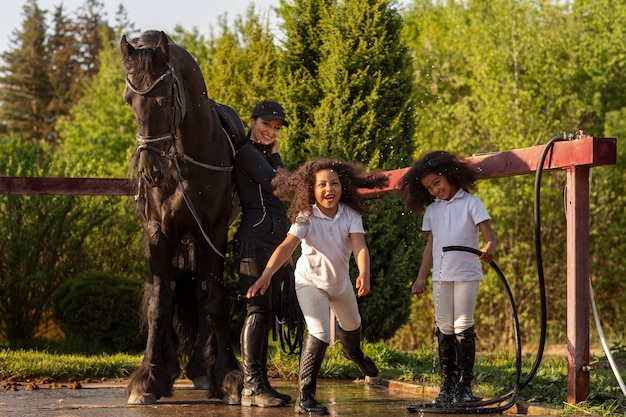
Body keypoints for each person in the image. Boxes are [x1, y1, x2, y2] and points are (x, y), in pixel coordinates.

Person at [246, 158, 388, 415]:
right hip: (310, 282)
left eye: (334, 183)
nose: (328, 189)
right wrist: (267, 274)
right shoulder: (306, 216)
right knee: (320, 332)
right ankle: (306, 397)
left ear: (342, 187)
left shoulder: (350, 214)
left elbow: (360, 247)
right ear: (311, 190)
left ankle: (353, 354)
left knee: (353, 324)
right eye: (321, 184)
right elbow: (287, 246)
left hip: (339, 282)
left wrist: (364, 273)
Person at [399, 150, 497, 405]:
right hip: (440, 277)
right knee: (444, 327)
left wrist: (489, 248)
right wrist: (421, 278)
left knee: (463, 325)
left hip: (466, 273)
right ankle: (448, 384)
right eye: (429, 188)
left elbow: (490, 235)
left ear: (449, 176)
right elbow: (431, 246)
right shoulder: (432, 211)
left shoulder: (471, 203)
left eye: (437, 183)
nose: (434, 190)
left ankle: (465, 385)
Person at [233, 100, 291, 407]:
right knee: (256, 310)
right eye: (266, 124)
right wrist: (278, 156)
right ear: (252, 121)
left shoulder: (264, 156)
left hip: (272, 243)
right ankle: (252, 387)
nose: (270, 131)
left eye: (276, 128)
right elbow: (279, 185)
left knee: (265, 313)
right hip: (254, 242)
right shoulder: (247, 154)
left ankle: (262, 383)